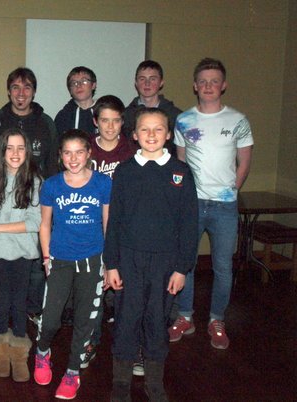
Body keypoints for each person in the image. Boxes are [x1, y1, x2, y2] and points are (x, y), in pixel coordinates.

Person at [105, 108, 198, 401]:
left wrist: (182, 268)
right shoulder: (125, 171)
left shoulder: (181, 172)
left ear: (168, 134)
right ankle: (121, 381)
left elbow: (189, 224)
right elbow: (114, 221)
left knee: (157, 320)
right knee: (126, 318)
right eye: (144, 129)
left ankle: (154, 382)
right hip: (129, 260)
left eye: (158, 129)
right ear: (134, 135)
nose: (151, 135)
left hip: (165, 262)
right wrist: (111, 264)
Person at [171, 58, 253, 350]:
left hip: (224, 208)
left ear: (223, 85)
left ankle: (217, 319)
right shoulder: (184, 121)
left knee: (222, 267)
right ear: (195, 86)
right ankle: (185, 316)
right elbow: (180, 163)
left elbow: (244, 162)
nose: (208, 86)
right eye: (203, 81)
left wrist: (233, 189)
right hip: (191, 205)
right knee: (186, 263)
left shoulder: (238, 120)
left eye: (214, 81)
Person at [33, 129, 111, 400]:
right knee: (50, 319)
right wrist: (46, 258)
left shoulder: (102, 183)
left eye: (79, 152)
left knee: (84, 320)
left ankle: (72, 371)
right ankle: (42, 352)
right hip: (60, 259)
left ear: (89, 154)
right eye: (68, 153)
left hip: (93, 259)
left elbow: (108, 224)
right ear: (60, 156)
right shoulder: (52, 185)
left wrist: (109, 262)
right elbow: (44, 225)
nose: (73, 158)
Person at [0, 67, 58, 325]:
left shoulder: (46, 122)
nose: (21, 93)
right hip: (1, 201)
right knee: (0, 284)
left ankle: (31, 312)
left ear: (34, 92)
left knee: (34, 268)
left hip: (34, 198)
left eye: (27, 87)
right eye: (15, 87)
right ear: (8, 91)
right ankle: (3, 321)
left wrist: (50, 200)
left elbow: (53, 162)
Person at [81, 95, 138, 371]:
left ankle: (129, 346)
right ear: (96, 122)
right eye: (105, 120)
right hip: (91, 228)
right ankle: (90, 341)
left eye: (116, 120)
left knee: (126, 290)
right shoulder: (85, 150)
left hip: (125, 230)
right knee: (94, 291)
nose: (110, 126)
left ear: (122, 122)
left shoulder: (132, 151)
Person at [0, 128, 42, 382]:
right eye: (10, 148)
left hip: (22, 252)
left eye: (21, 148)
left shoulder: (34, 181)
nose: (15, 153)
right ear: (2, 151)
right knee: (1, 301)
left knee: (19, 302)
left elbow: (35, 222)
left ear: (27, 151)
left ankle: (19, 350)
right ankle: (0, 348)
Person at [122, 60, 182, 157]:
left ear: (161, 82)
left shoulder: (176, 116)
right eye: (142, 79)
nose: (147, 83)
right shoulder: (125, 115)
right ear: (136, 83)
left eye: (152, 79)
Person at [54, 66, 98, 138]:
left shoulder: (103, 113)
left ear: (93, 85)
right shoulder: (63, 117)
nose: (79, 86)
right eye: (74, 83)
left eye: (84, 81)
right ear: (70, 90)